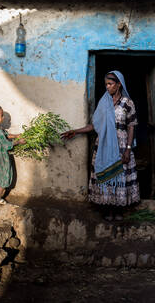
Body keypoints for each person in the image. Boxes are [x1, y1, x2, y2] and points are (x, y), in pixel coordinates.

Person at [61, 71, 140, 220]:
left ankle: (118, 210)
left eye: (110, 84)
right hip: (104, 144)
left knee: (120, 175)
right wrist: (76, 131)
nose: (107, 87)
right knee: (106, 174)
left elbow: (131, 126)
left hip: (121, 144)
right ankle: (108, 209)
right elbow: (94, 126)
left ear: (118, 85)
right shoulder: (104, 103)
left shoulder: (128, 103)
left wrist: (128, 150)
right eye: (106, 84)